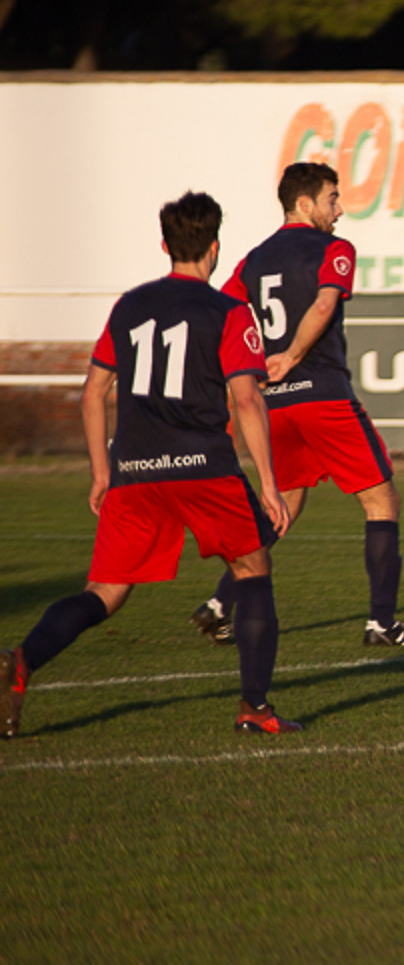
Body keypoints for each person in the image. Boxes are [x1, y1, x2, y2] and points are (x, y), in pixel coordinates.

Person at [3, 192, 301, 739]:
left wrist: (102, 472)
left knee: (105, 591)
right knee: (252, 571)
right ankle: (255, 709)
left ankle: (21, 661)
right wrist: (269, 484)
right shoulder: (230, 311)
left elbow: (92, 393)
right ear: (215, 248)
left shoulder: (130, 306)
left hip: (134, 470)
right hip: (204, 469)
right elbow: (247, 399)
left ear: (165, 246)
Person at [193, 162, 404, 649]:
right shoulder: (334, 249)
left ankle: (219, 603)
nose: (339, 210)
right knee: (381, 501)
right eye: (332, 199)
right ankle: (382, 623)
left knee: (285, 502)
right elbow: (323, 305)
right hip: (321, 396)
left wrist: (247, 369)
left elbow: (223, 314)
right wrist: (292, 356)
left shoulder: (253, 260)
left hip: (272, 407)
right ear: (304, 203)